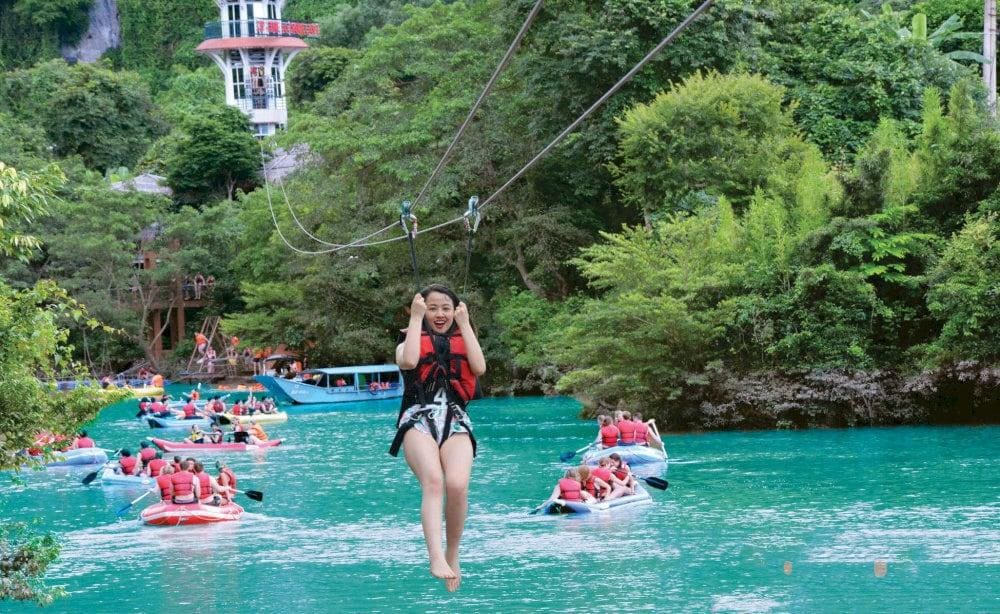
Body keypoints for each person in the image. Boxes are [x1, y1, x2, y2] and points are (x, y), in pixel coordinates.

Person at [390, 284, 486, 592]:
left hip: (455, 419)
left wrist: (466, 323)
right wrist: (416, 318)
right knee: (433, 482)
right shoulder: (408, 341)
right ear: (422, 310)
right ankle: (434, 556)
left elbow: (479, 368)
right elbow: (408, 362)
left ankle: (452, 553)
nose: (440, 314)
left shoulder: (463, 337)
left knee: (457, 484)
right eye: (433, 308)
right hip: (418, 418)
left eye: (446, 308)